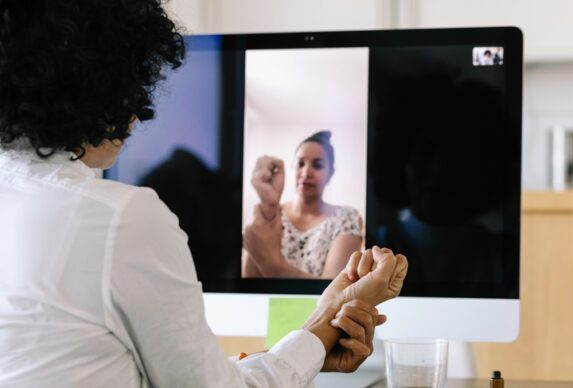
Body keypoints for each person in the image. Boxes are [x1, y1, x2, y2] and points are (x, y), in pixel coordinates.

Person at [0, 2, 409, 387]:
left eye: (317, 164)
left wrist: (314, 339)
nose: (140, 113)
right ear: (106, 86)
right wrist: (321, 329)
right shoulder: (121, 218)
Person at [243, 131, 364, 278]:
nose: (306, 172)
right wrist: (268, 207)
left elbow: (335, 293)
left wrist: (273, 265)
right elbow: (248, 282)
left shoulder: (346, 218)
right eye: (300, 164)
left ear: (331, 172)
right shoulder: (269, 213)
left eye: (317, 165)